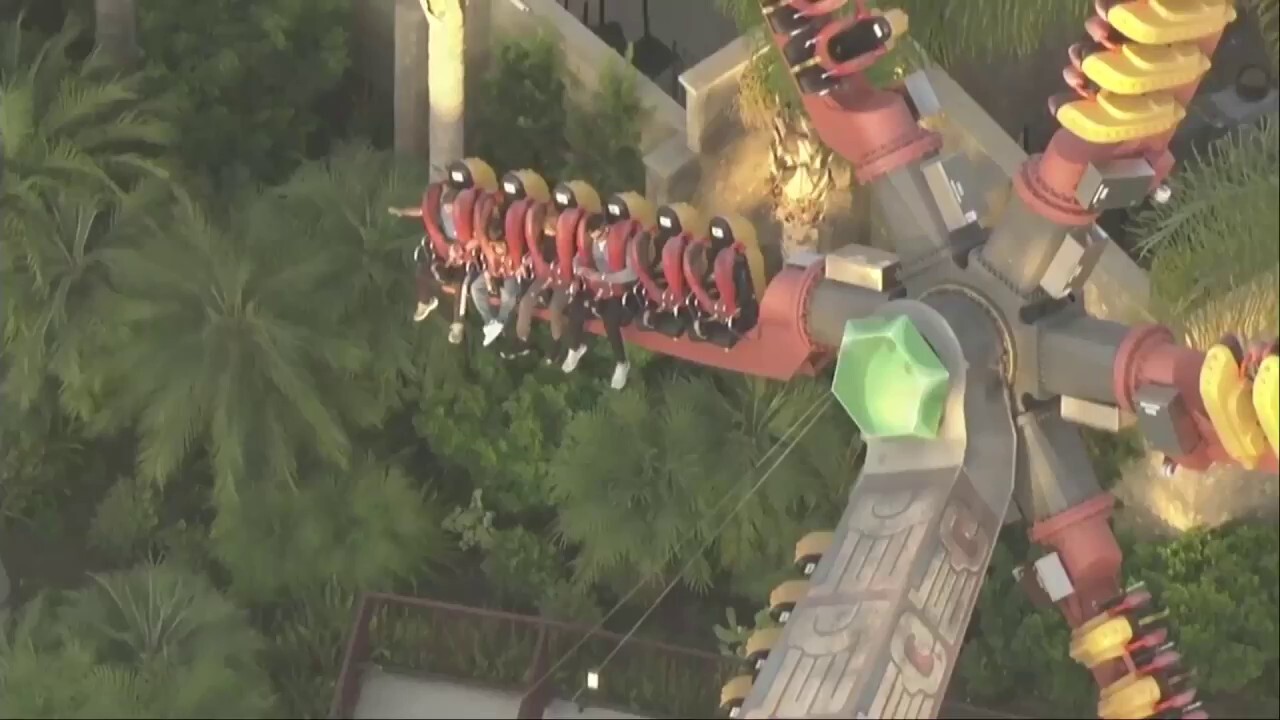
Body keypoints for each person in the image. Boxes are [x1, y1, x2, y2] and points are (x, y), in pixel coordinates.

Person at [388, 187, 473, 344]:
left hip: (464, 260)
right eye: (446, 207)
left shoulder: (464, 216)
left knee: (460, 285)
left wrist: (461, 250)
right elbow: (422, 212)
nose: (448, 210)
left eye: (451, 207)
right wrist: (402, 211)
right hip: (445, 255)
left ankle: (457, 325)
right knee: (424, 270)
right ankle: (425, 301)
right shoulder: (440, 215)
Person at [561, 215, 636, 390]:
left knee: (610, 321)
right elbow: (578, 257)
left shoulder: (624, 242)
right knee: (576, 306)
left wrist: (604, 277)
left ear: (606, 228)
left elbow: (632, 273)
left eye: (599, 236)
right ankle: (575, 347)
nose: (597, 240)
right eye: (593, 237)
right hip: (599, 285)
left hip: (619, 286)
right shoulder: (593, 243)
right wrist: (578, 268)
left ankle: (622, 362)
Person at [510, 207, 573, 360]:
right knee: (525, 302)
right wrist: (529, 259)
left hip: (562, 279)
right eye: (547, 227)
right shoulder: (543, 238)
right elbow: (538, 254)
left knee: (554, 308)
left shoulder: (566, 240)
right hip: (544, 275)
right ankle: (522, 338)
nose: (548, 230)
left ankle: (557, 342)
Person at [469, 201, 522, 347]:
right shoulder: (489, 243)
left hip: (510, 272)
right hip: (493, 271)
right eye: (494, 244)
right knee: (475, 288)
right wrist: (487, 273)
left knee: (509, 294)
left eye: (499, 244)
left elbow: (517, 266)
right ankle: (489, 321)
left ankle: (500, 320)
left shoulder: (513, 244)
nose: (497, 247)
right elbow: (484, 252)